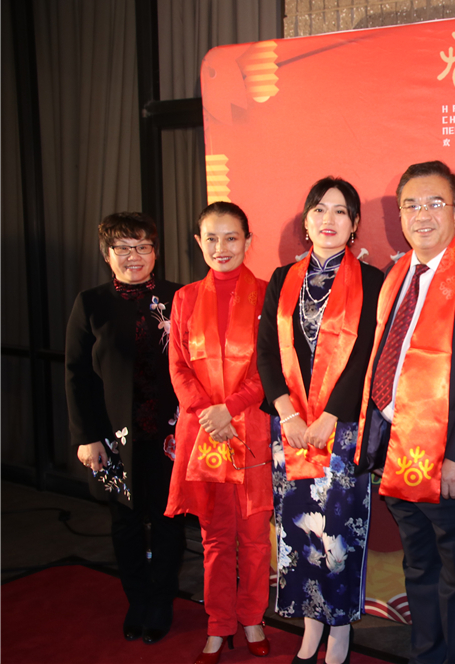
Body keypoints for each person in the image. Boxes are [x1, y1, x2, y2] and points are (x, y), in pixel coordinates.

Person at [353, 161, 455, 664]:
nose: (422, 215)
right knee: (418, 565)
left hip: (449, 461)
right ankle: (426, 655)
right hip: (394, 451)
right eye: (411, 205)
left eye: (435, 203)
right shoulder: (395, 274)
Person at [257, 177, 383, 664]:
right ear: (306, 221)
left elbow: (367, 355)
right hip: (289, 428)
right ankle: (310, 623)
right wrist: (286, 410)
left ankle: (340, 627)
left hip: (342, 429)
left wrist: (331, 415)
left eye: (340, 211)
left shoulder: (372, 280)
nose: (329, 219)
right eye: (319, 210)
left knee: (339, 528)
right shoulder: (281, 278)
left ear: (354, 224)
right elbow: (267, 351)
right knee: (297, 528)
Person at [65, 212, 185, 645]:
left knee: (169, 520)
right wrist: (86, 437)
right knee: (125, 521)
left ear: (156, 252)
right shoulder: (91, 303)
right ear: (107, 254)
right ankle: (137, 600)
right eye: (123, 248)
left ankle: (162, 601)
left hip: (171, 436)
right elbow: (76, 374)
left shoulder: (179, 298)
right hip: (114, 438)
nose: (134, 256)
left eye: (143, 247)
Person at [166, 202, 272, 663]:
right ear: (198, 242)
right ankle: (217, 624)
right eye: (211, 238)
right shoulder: (185, 298)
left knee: (254, 537)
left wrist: (229, 408)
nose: (221, 247)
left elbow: (271, 367)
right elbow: (178, 367)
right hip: (204, 433)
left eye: (231, 237)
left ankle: (252, 619)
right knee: (215, 538)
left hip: (250, 430)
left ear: (248, 241)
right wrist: (209, 412)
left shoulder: (268, 295)